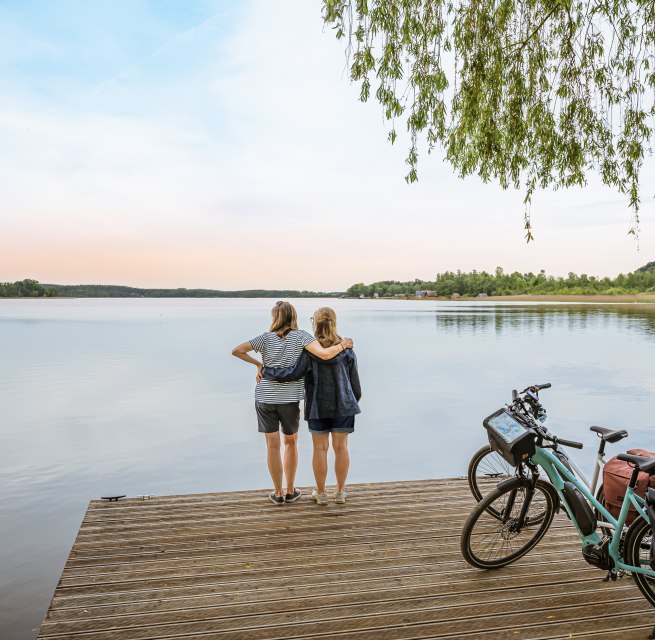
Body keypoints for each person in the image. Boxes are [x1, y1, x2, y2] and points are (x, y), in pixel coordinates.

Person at [232, 301, 353, 505]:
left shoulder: (265, 338)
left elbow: (237, 350)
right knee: (292, 442)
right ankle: (294, 490)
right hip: (291, 399)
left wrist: (259, 365)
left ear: (275, 317)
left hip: (265, 397)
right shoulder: (302, 337)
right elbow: (328, 357)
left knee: (272, 445)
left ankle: (279, 493)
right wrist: (344, 345)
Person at [262, 307, 361, 506]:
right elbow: (355, 385)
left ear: (315, 323)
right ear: (334, 322)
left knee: (320, 449)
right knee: (341, 447)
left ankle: (322, 493)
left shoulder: (309, 350)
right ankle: (340, 492)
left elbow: (291, 373)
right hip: (344, 405)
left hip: (318, 406)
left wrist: (267, 370)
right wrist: (351, 402)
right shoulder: (347, 349)